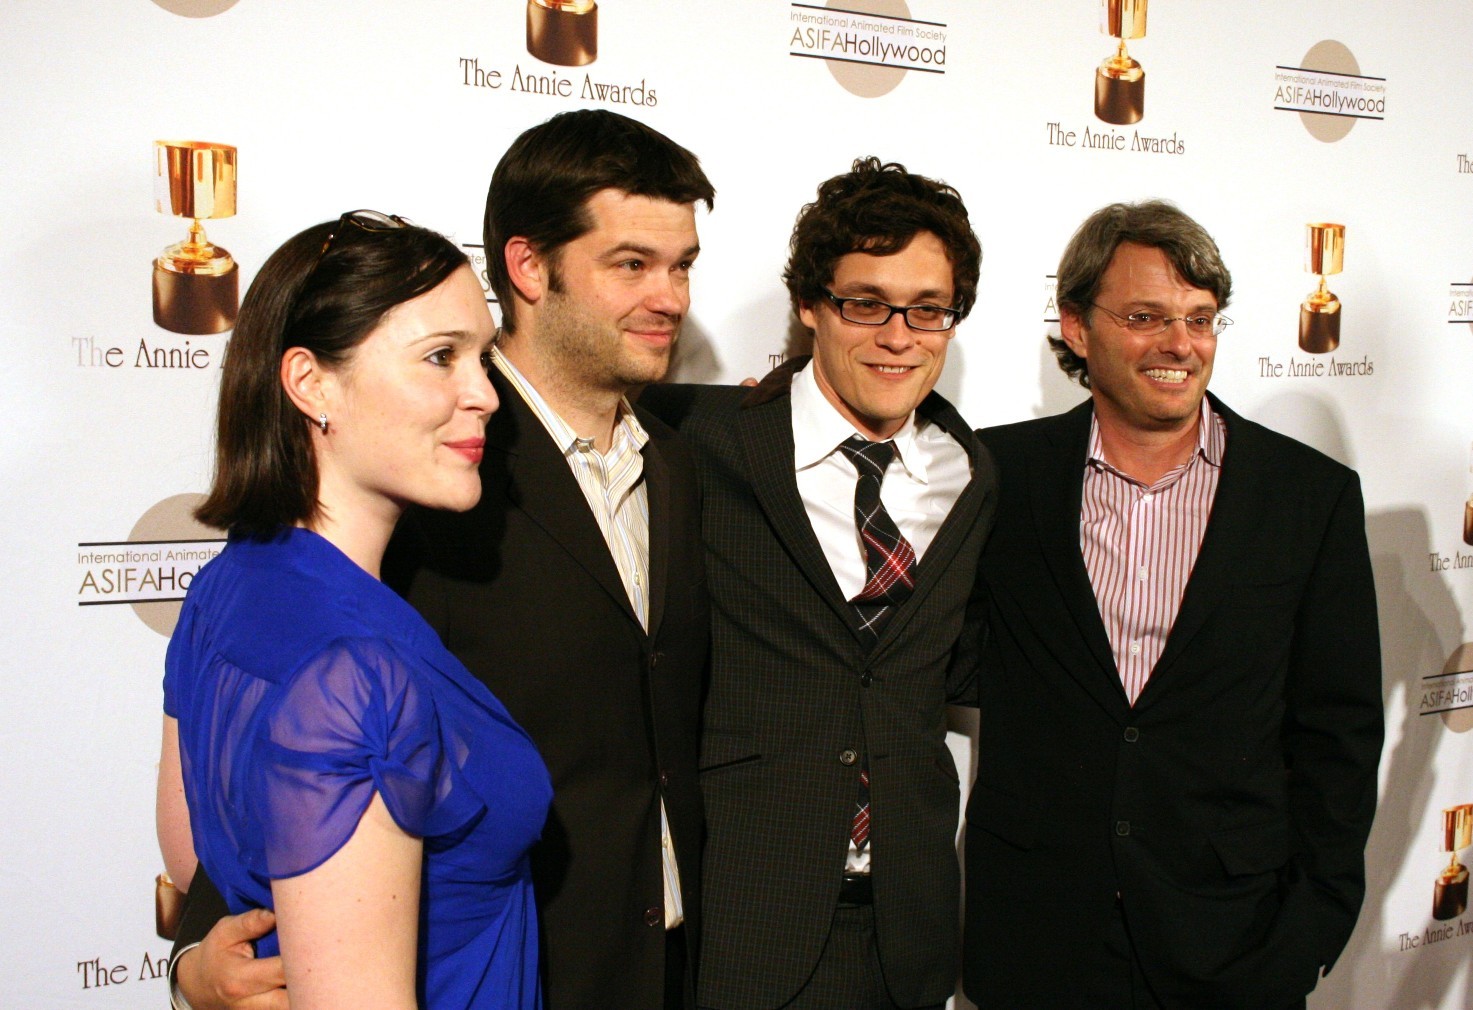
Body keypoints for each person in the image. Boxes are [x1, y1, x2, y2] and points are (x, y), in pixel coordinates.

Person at [170, 109, 714, 1010]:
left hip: (670, 970)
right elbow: (289, 741)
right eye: (631, 264)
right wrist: (199, 953)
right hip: (502, 966)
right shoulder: (421, 476)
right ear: (528, 266)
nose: (671, 297)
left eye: (683, 265)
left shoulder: (686, 461)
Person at [960, 200, 1383, 1009]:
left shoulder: (1307, 496)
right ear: (1077, 327)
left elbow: (1340, 729)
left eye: (1199, 318)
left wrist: (1311, 930)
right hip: (1038, 940)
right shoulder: (998, 475)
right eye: (1146, 316)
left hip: (1233, 943)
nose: (1179, 344)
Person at [156, 210, 551, 1010]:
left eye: (483, 358)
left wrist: (191, 972)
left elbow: (199, 868)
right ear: (310, 383)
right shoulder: (356, 669)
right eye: (441, 358)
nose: (485, 397)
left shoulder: (223, 589)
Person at [641, 157, 996, 1010]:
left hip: (909, 923)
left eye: (926, 310)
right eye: (864, 303)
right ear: (809, 305)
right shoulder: (700, 442)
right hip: (746, 916)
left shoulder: (973, 473)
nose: (897, 335)